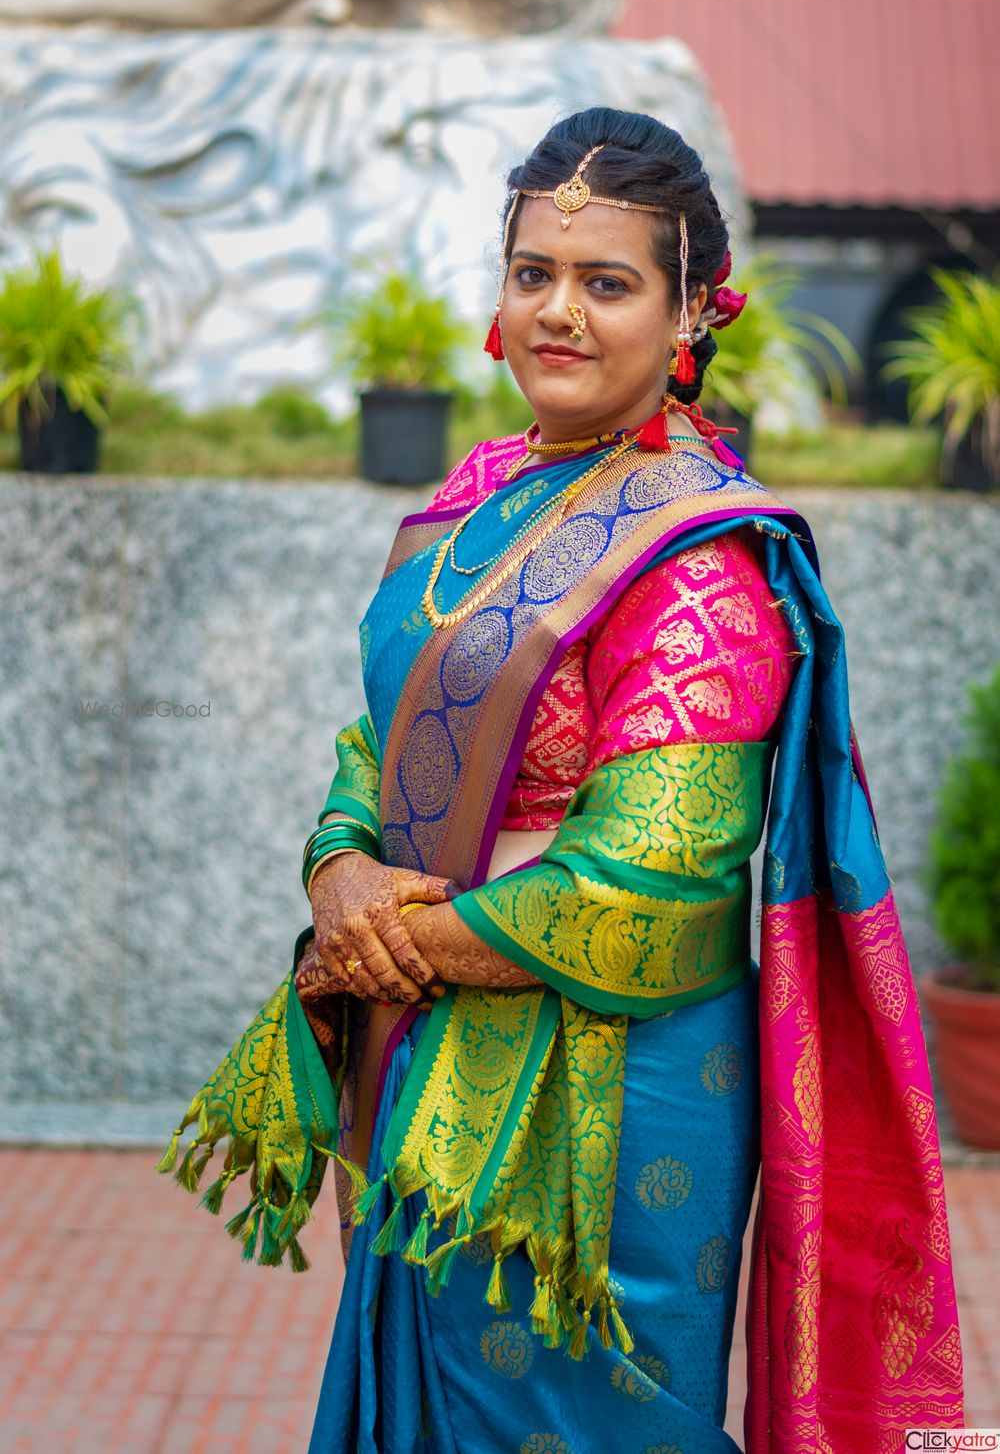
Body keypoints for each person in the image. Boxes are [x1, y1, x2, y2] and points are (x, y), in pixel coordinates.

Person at [158, 108, 964, 1451]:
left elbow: (651, 881)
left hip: (612, 1095)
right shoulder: (475, 500)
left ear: (694, 306)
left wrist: (372, 941)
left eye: (608, 283)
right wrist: (339, 867)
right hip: (417, 1044)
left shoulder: (700, 558)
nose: (560, 313)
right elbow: (379, 739)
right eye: (534, 273)